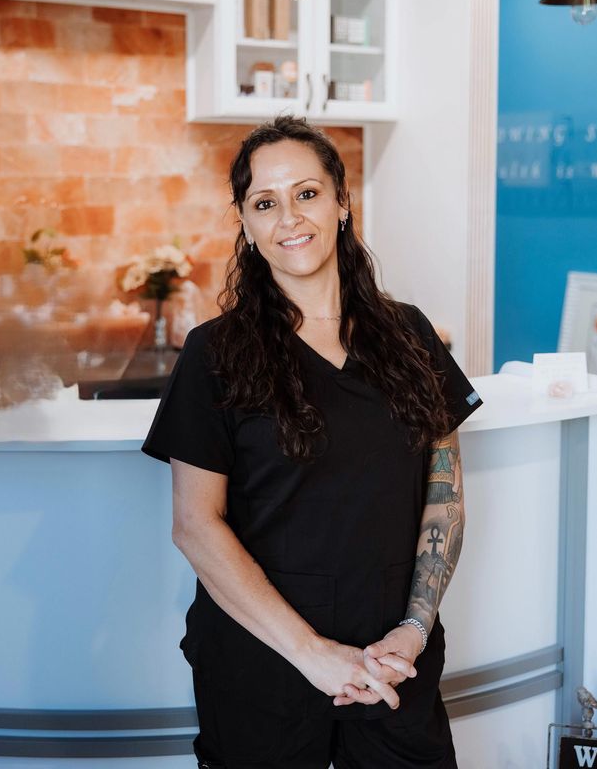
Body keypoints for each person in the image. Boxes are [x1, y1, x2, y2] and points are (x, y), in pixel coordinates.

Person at [141, 115, 484, 769]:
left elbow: (445, 499)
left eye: (306, 193)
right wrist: (312, 654)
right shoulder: (214, 353)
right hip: (261, 669)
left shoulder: (411, 335)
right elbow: (195, 525)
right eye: (264, 203)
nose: (288, 218)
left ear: (342, 204)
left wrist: (411, 633)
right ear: (244, 224)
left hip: (394, 667)